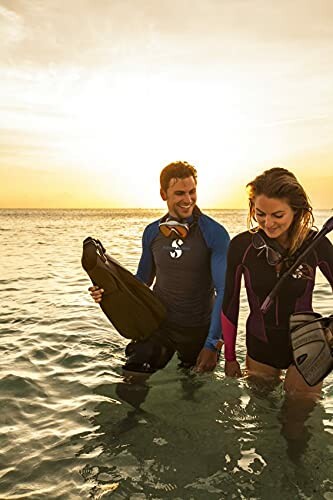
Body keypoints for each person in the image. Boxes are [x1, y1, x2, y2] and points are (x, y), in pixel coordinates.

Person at [90, 161, 230, 376]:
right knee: (132, 375)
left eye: (192, 192)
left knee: (193, 393)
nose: (188, 199)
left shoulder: (214, 233)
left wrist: (212, 345)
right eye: (179, 193)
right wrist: (108, 292)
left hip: (198, 330)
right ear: (163, 194)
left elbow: (224, 292)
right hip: (160, 325)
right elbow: (142, 281)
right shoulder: (152, 233)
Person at [221, 167, 333, 396]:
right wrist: (230, 358)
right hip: (260, 346)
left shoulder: (316, 245)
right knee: (262, 425)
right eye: (260, 213)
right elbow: (230, 303)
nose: (268, 222)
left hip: (306, 348)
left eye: (277, 215)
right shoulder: (242, 247)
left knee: (295, 426)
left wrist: (330, 332)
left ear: (296, 211)